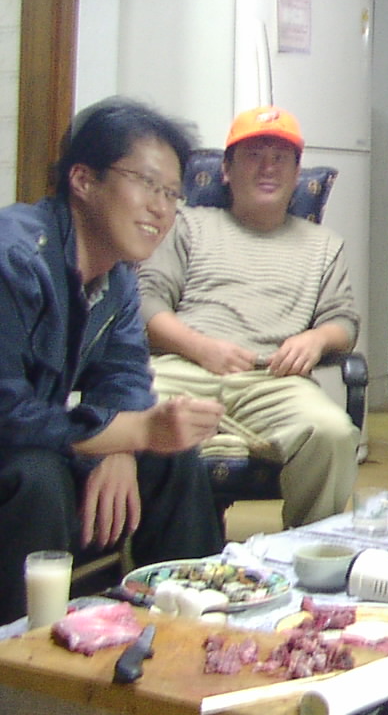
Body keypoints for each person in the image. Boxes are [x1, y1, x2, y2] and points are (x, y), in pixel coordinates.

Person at [0, 98, 225, 624]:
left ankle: (193, 625)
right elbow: (7, 414)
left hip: (29, 439)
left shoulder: (118, 275)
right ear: (83, 180)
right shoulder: (14, 258)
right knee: (38, 479)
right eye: (146, 183)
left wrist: (124, 445)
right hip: (13, 449)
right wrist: (133, 431)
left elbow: (124, 375)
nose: (161, 208)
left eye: (172, 193)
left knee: (173, 460)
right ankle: (23, 652)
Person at [138, 105, 360, 527]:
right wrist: (201, 348)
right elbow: (146, 303)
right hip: (182, 368)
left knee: (332, 433)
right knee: (127, 413)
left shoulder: (324, 245)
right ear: (226, 170)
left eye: (280, 158)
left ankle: (307, 551)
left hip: (272, 380)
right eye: (254, 156)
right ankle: (151, 555)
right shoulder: (186, 224)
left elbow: (344, 322)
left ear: (297, 174)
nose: (268, 168)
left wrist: (316, 340)